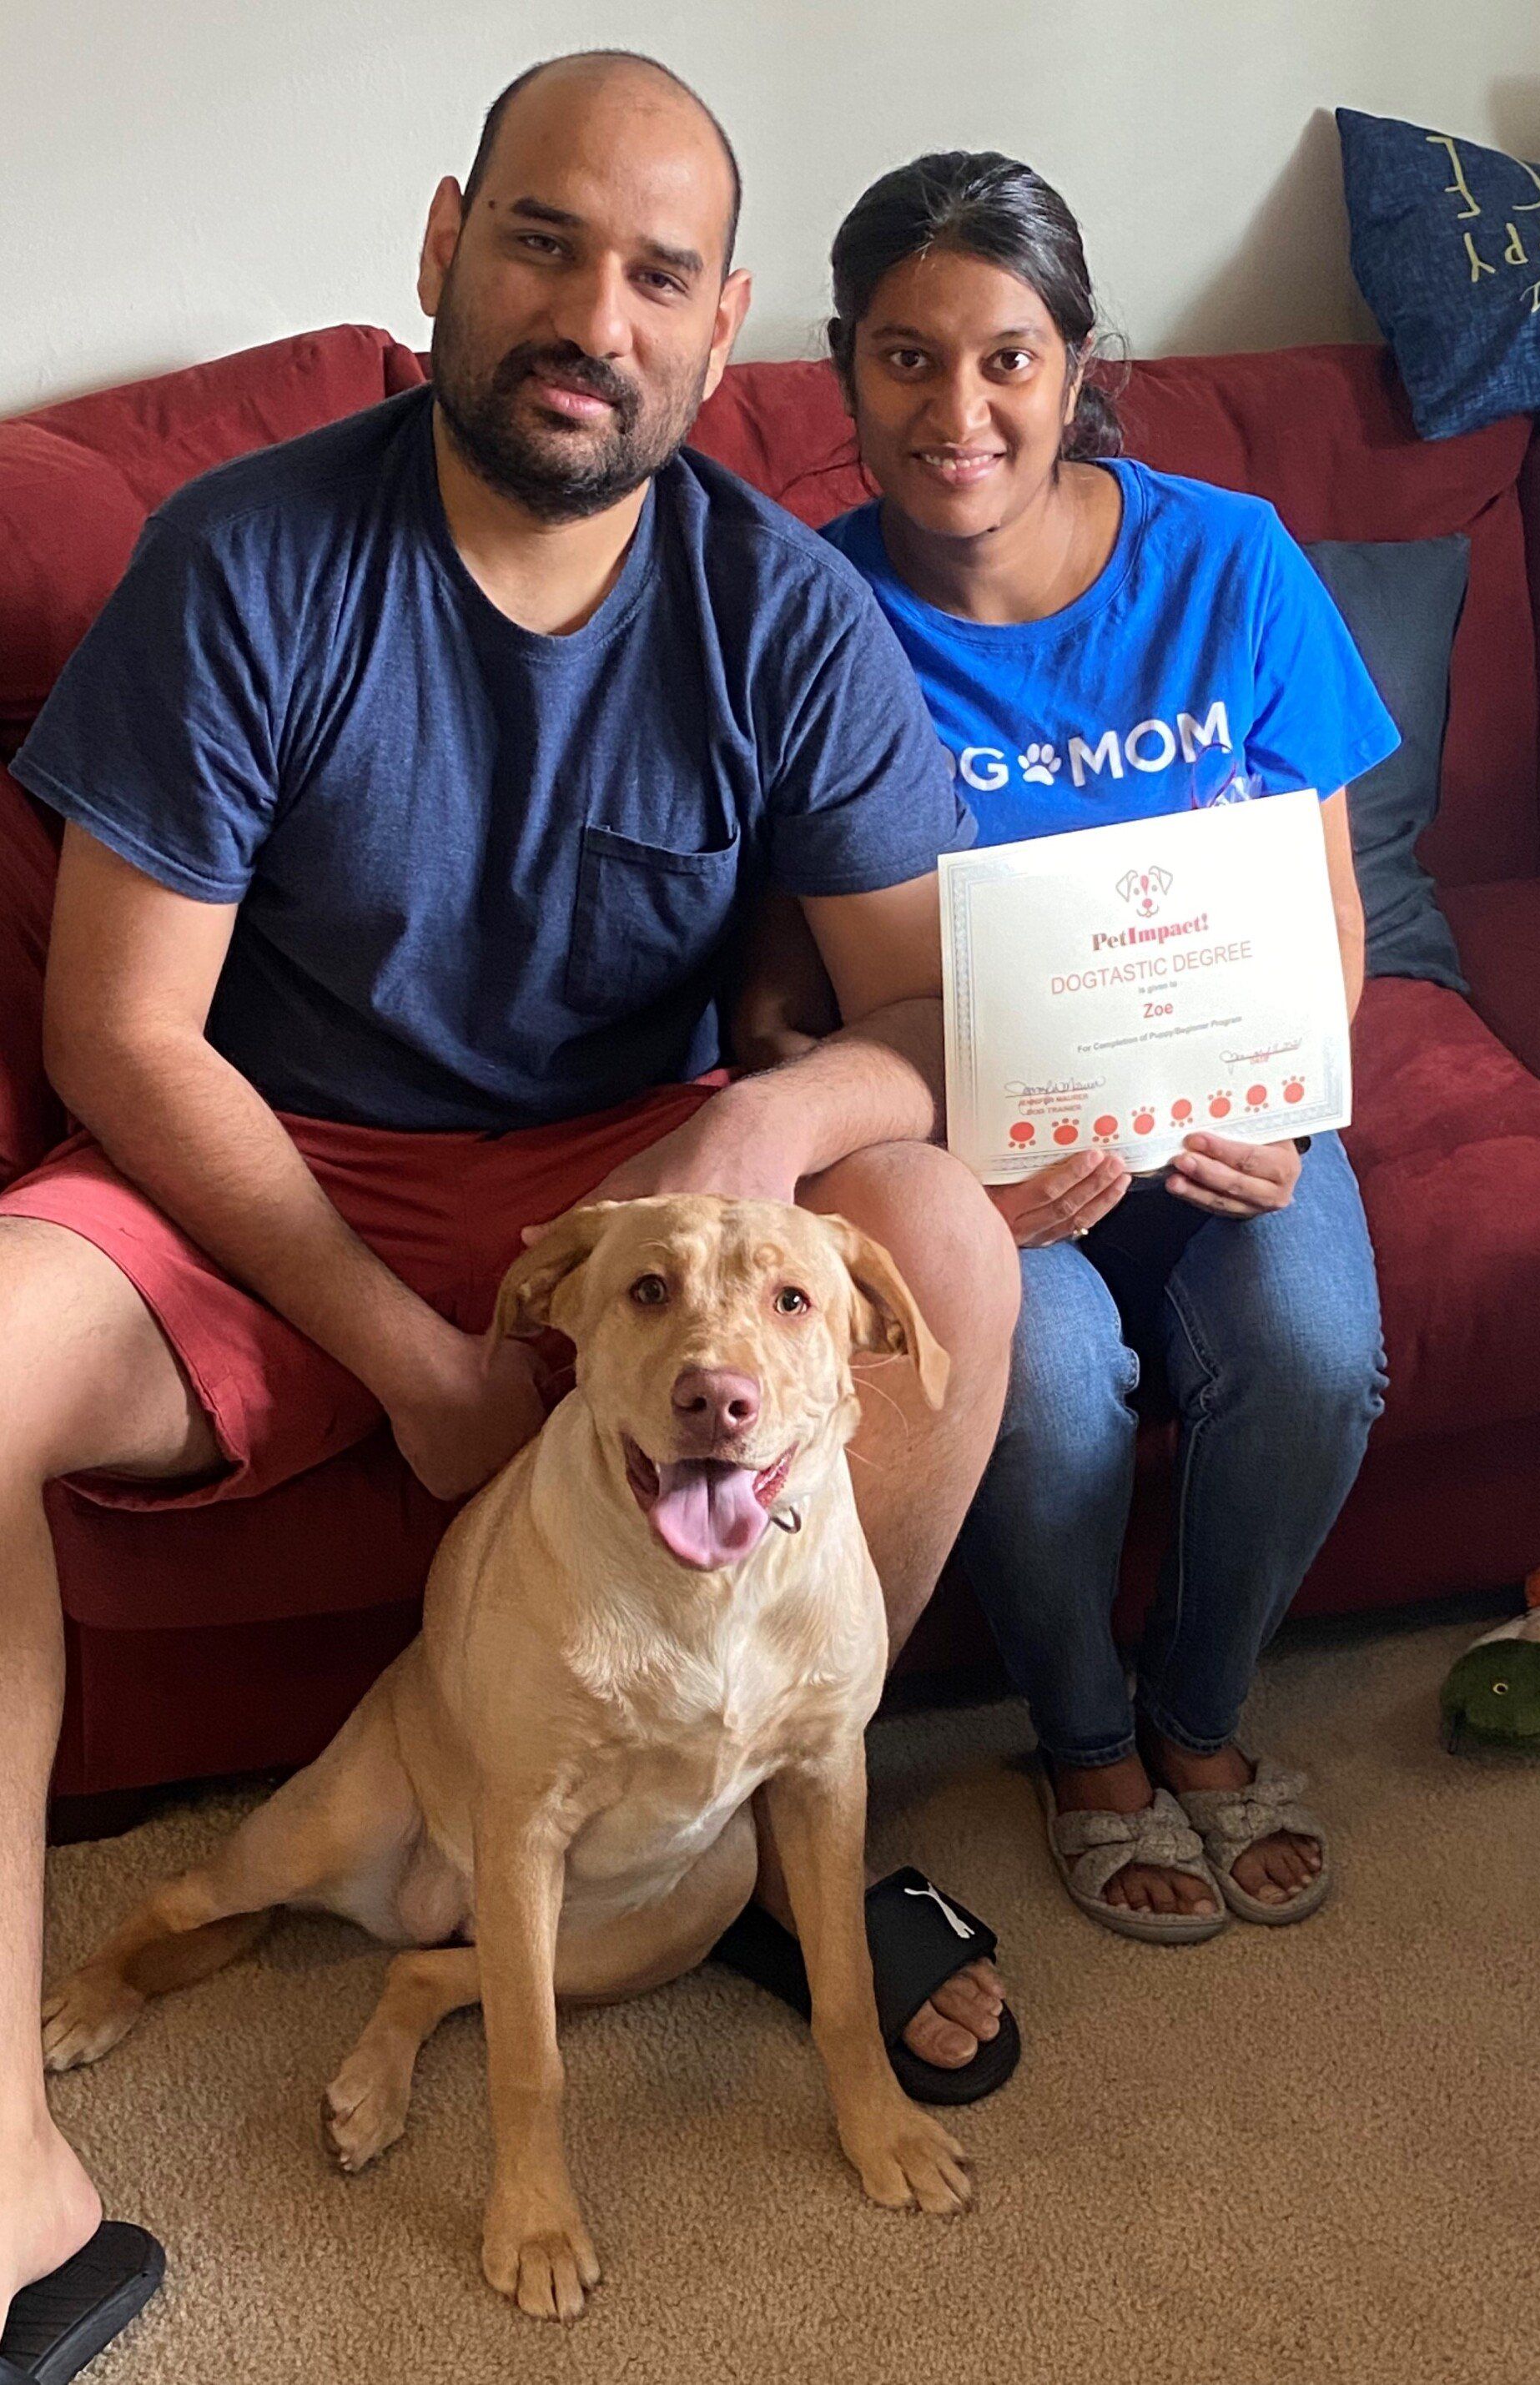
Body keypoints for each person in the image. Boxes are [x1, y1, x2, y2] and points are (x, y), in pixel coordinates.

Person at [0, 64, 1021, 2376]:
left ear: (726, 318)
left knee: (944, 1239)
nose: (595, 313)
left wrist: (764, 1142)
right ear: (448, 238)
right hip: (282, 1158)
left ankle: (770, 1811)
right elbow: (123, 1037)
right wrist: (424, 1359)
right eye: (547, 242)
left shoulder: (777, 607)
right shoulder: (249, 556)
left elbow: (933, 1017)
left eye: (661, 276)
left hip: (630, 1179)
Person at [747, 148, 1392, 1946]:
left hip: (1225, 1122)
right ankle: (1087, 1744)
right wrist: (965, 1185)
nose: (959, 412)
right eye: (905, 358)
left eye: (1007, 358)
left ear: (1077, 359)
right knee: (1033, 1384)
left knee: (1320, 1344)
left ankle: (1201, 1714)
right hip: (979, 1147)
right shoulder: (812, 609)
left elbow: (1325, 909)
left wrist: (1296, 1104)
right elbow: (790, 988)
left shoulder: (1230, 561)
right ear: (843, 364)